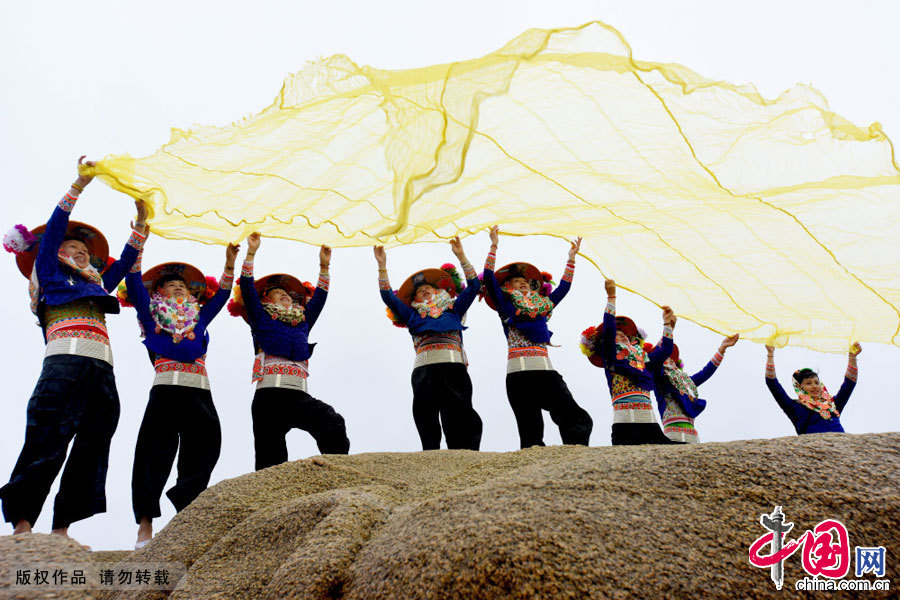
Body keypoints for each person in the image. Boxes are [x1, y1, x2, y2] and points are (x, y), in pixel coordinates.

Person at [0, 157, 147, 542]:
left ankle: (62, 528)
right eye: (71, 247)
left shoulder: (97, 283)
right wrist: (78, 186)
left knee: (95, 440)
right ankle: (22, 524)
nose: (79, 252)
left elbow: (127, 262)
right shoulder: (49, 273)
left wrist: (141, 224)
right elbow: (51, 236)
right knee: (47, 434)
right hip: (63, 360)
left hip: (102, 369)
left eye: (85, 250)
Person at [124, 243, 237, 548]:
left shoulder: (198, 320)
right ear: (158, 293)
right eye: (170, 285)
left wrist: (231, 261)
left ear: (191, 295)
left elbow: (223, 295)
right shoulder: (151, 318)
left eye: (182, 286)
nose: (177, 288)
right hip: (165, 390)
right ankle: (145, 526)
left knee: (206, 449)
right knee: (152, 455)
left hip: (200, 391)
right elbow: (134, 283)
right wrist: (140, 244)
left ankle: (184, 511)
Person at [231, 233, 349, 469]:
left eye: (288, 294)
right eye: (278, 293)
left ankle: (338, 473)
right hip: (269, 397)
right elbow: (247, 287)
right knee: (269, 459)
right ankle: (270, 503)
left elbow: (319, 299)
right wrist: (251, 253)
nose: (285, 294)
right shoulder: (261, 317)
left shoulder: (302, 321)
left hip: (298, 395)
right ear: (266, 299)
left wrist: (324, 266)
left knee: (331, 422)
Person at [481, 226, 592, 448]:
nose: (522, 282)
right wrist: (494, 246)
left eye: (525, 281)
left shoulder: (542, 306)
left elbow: (564, 288)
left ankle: (575, 457)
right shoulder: (506, 306)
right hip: (518, 374)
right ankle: (532, 474)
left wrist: (571, 259)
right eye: (515, 281)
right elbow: (490, 278)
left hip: (545, 371)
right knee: (530, 433)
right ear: (507, 287)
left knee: (576, 417)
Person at [374, 237, 483, 450]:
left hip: (453, 367)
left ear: (438, 291)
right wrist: (382, 266)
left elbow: (474, 286)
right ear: (414, 298)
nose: (424, 290)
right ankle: (430, 457)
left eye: (428, 288)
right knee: (425, 415)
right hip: (425, 370)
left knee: (460, 416)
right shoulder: (412, 315)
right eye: (419, 290)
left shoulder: (454, 309)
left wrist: (461, 256)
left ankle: (463, 457)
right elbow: (388, 297)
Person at [580, 279, 676, 445]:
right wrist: (611, 297)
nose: (622, 334)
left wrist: (667, 324)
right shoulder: (610, 356)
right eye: (617, 334)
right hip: (624, 425)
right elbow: (609, 331)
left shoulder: (643, 360)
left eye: (625, 334)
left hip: (650, 424)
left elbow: (665, 351)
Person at [649, 334, 739, 443]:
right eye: (666, 358)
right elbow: (656, 363)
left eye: (672, 358)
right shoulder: (659, 380)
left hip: (693, 437)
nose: (671, 359)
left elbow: (705, 373)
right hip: (673, 436)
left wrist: (722, 348)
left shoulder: (686, 383)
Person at [764, 342, 861, 434]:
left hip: (840, 447)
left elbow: (849, 383)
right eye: (808, 383)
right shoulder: (794, 407)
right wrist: (770, 354)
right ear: (800, 388)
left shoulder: (832, 404)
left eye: (817, 382)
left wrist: (852, 357)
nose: (814, 386)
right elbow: (772, 384)